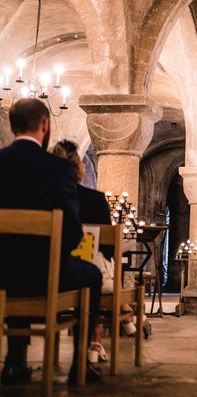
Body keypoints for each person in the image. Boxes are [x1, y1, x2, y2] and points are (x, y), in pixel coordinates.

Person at [0, 99, 102, 385]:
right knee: (92, 276)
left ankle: (15, 360)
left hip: (2, 275)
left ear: (11, 125)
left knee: (13, 263)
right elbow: (71, 231)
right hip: (46, 273)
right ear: (45, 126)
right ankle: (80, 364)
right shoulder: (58, 169)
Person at [51, 139, 137, 365]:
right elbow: (109, 248)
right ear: (80, 167)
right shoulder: (95, 200)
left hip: (42, 273)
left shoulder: (43, 198)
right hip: (79, 272)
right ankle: (95, 341)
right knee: (97, 274)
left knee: (95, 270)